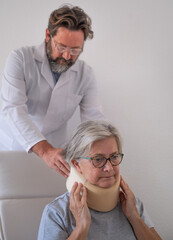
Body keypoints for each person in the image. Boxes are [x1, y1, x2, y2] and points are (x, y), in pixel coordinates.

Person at [0, 5, 105, 177]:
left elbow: (94, 121)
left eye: (74, 50)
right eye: (61, 47)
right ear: (48, 35)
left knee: (51, 201)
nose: (66, 56)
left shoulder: (86, 74)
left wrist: (102, 156)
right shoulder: (20, 59)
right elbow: (13, 109)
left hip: (58, 154)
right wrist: (45, 151)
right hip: (14, 147)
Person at [37, 120, 162, 240]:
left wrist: (134, 218)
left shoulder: (131, 204)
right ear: (76, 164)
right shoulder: (57, 213)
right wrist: (82, 226)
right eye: (98, 159)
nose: (109, 167)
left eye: (114, 157)